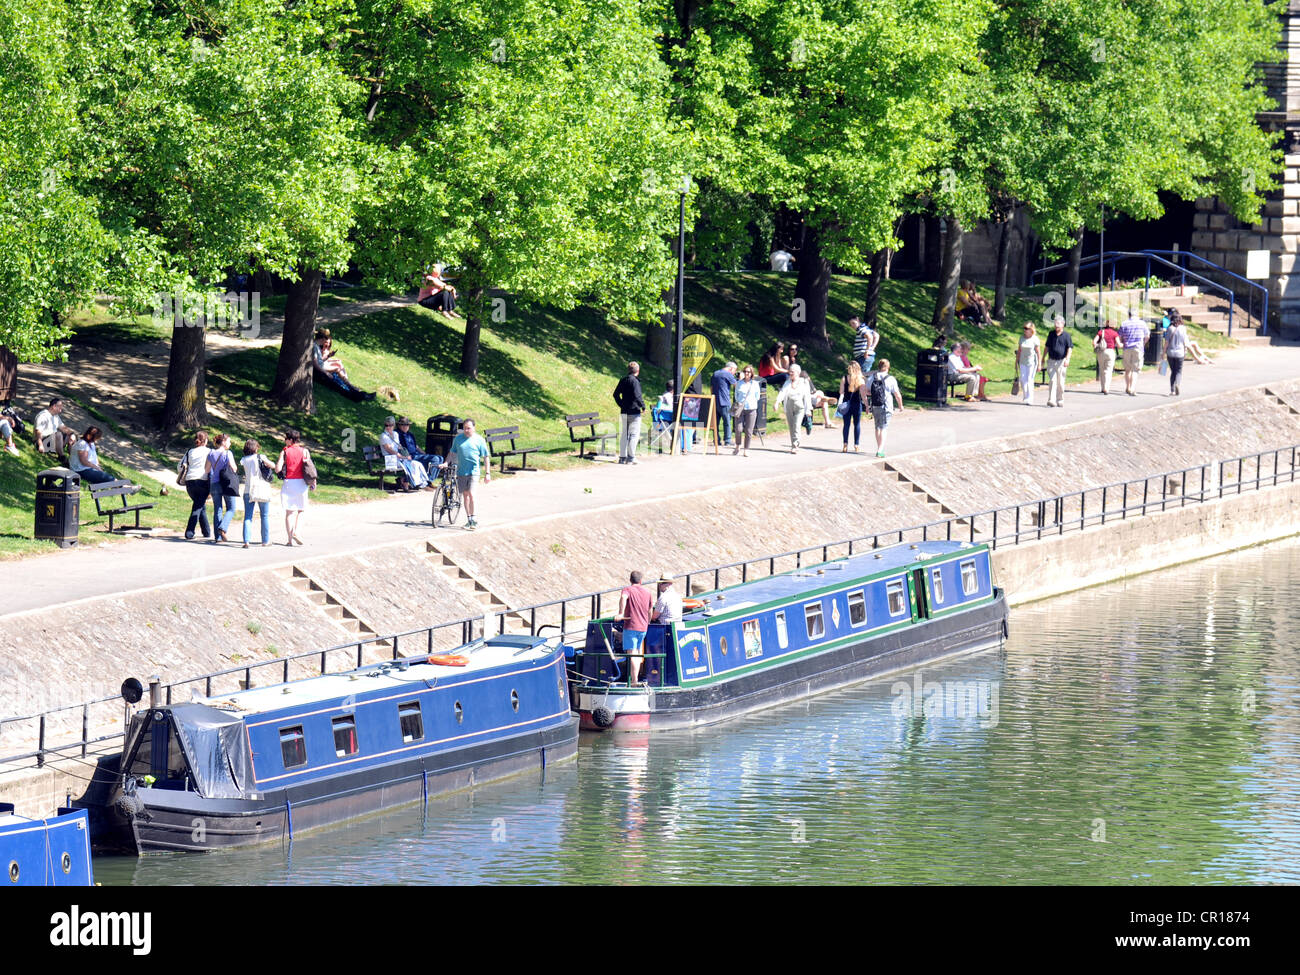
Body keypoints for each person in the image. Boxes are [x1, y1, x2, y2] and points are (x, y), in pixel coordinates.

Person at [448, 418, 491, 529]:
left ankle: (474, 519)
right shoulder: (458, 439)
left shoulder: (479, 440)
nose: (466, 430)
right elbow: (452, 453)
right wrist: (445, 463)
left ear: (474, 428)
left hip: (474, 471)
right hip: (462, 472)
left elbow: (486, 457)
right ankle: (469, 519)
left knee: (472, 494)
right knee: (465, 496)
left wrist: (487, 473)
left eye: (469, 428)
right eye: (464, 428)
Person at [313, 329, 376, 402]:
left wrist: (328, 357)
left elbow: (319, 361)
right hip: (319, 373)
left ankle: (358, 392)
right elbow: (315, 364)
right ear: (323, 338)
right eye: (326, 339)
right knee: (338, 386)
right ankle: (358, 395)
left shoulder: (316, 346)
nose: (325, 342)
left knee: (339, 382)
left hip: (321, 370)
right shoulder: (314, 347)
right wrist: (325, 372)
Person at [617, 570, 655, 685]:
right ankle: (636, 678)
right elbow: (650, 610)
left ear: (630, 580)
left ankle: (634, 680)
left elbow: (623, 598)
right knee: (638, 652)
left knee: (632, 653)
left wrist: (620, 613)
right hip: (643, 627)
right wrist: (647, 622)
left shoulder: (627, 590)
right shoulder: (647, 592)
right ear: (641, 581)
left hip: (631, 626)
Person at [275, 429, 310, 546]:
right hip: (301, 483)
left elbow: (277, 469)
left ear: (290, 440)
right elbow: (309, 468)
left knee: (289, 512)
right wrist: (313, 481)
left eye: (286, 439)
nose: (285, 441)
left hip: (288, 483)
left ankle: (290, 540)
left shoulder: (284, 452)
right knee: (301, 510)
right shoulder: (305, 451)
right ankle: (297, 532)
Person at [239, 439, 275, 548]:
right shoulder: (261, 457)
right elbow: (272, 465)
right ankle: (265, 540)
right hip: (261, 488)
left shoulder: (244, 459)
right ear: (255, 448)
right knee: (264, 516)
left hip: (248, 490)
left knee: (248, 517)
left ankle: (246, 541)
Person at [204, 433, 238, 543]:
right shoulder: (228, 453)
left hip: (214, 483)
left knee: (217, 509)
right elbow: (234, 468)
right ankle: (223, 528)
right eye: (229, 441)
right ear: (223, 442)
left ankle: (217, 537)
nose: (230, 443)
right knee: (231, 508)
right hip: (226, 483)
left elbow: (207, 470)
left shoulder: (211, 453)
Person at [177, 431, 212, 539]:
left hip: (190, 482)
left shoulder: (189, 452)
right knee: (197, 507)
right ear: (205, 440)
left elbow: (179, 467)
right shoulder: (209, 451)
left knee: (200, 505)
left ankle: (206, 531)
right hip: (203, 481)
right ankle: (189, 532)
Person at [380, 416, 430, 491]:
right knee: (407, 464)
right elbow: (389, 450)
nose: (388, 427)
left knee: (416, 464)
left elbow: (399, 446)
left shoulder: (395, 434)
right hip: (390, 459)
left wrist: (406, 454)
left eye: (390, 425)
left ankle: (418, 483)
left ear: (393, 425)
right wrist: (402, 457)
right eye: (386, 425)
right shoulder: (383, 436)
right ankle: (406, 483)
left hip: (398, 458)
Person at [867, 360, 904, 458]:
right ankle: (880, 450)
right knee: (884, 427)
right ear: (888, 367)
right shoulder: (890, 379)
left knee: (877, 427)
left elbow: (867, 391)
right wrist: (900, 405)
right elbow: (897, 394)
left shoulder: (872, 377)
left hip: (875, 405)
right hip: (886, 406)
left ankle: (879, 447)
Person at [612, 361, 645, 465]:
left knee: (624, 434)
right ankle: (631, 458)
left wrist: (621, 404)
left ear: (628, 370)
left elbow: (615, 394)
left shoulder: (623, 380)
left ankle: (622, 457)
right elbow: (637, 395)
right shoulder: (635, 382)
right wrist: (642, 406)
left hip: (624, 411)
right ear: (638, 371)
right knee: (634, 435)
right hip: (634, 412)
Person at [775, 363, 812, 453]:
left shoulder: (804, 382)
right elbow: (782, 392)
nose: (790, 373)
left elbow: (807, 396)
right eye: (790, 372)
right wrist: (777, 402)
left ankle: (795, 444)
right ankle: (793, 444)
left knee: (796, 425)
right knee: (791, 426)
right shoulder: (787, 382)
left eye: (792, 372)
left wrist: (808, 409)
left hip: (800, 407)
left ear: (798, 372)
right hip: (789, 406)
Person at [1118, 309, 1150, 396]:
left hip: (1127, 348)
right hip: (1138, 348)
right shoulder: (1142, 323)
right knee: (1135, 369)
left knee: (1127, 369)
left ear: (1129, 315)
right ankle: (1132, 388)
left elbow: (1119, 336)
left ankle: (1128, 387)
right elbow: (1147, 336)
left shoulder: (1124, 323)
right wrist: (1143, 343)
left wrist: (1122, 342)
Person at [1043, 315, 1073, 408]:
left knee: (1060, 382)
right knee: (1052, 380)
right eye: (1055, 325)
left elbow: (1070, 348)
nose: (1056, 327)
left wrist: (1067, 359)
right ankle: (1051, 400)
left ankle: (1060, 399)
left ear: (1063, 325)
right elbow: (1047, 346)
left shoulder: (1066, 335)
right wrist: (1043, 358)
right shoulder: (1051, 334)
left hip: (1061, 361)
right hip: (1051, 360)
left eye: (1058, 325)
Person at [732, 366, 761, 457]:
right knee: (738, 429)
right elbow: (736, 395)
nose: (747, 373)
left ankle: (746, 449)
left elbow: (758, 396)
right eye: (745, 371)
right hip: (740, 409)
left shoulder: (755, 384)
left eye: (748, 372)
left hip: (751, 409)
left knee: (749, 430)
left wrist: (751, 402)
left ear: (751, 373)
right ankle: (738, 445)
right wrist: (740, 402)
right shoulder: (739, 383)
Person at [34, 397, 75, 462]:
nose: (61, 410)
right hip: (43, 441)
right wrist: (40, 445)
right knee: (58, 434)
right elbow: (38, 432)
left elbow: (63, 428)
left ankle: (73, 459)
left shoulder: (55, 416)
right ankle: (62, 457)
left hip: (53, 441)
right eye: (60, 407)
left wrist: (72, 434)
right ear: (54, 406)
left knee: (70, 436)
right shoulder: (43, 416)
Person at [839, 360, 866, 452]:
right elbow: (863, 395)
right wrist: (867, 405)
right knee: (857, 424)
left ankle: (845, 444)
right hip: (857, 404)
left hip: (846, 404)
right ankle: (856, 445)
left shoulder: (844, 378)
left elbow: (841, 392)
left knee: (846, 425)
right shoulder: (860, 380)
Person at [710, 362, 738, 447]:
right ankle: (727, 440)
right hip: (725, 402)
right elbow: (737, 385)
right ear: (731, 368)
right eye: (734, 371)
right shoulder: (728, 374)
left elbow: (711, 388)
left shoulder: (715, 373)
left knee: (716, 423)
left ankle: (716, 440)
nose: (734, 373)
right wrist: (740, 379)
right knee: (727, 422)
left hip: (715, 401)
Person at [1164, 308, 1188, 396]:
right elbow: (1185, 342)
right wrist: (1185, 350)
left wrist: (1163, 353)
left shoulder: (1169, 329)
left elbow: (1166, 342)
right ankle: (1177, 383)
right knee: (1178, 371)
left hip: (1170, 353)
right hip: (1180, 353)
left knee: (1173, 371)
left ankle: (1172, 390)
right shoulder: (1183, 328)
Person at [1016, 322, 1041, 406]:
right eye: (1024, 328)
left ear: (1031, 330)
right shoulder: (1021, 338)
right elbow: (1019, 350)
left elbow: (1038, 352)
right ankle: (1025, 395)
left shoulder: (1035, 339)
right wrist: (1016, 362)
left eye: (1026, 328)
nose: (1025, 330)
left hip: (1032, 362)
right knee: (1023, 379)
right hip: (1023, 361)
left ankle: (1030, 398)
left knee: (1030, 379)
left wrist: (1039, 364)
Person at [1093, 319, 1120, 395]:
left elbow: (1094, 341)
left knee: (1102, 369)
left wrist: (1096, 346)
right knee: (1108, 370)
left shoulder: (1102, 332)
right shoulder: (1115, 333)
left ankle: (1102, 388)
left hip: (1101, 352)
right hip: (1110, 352)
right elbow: (1118, 344)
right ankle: (1106, 388)